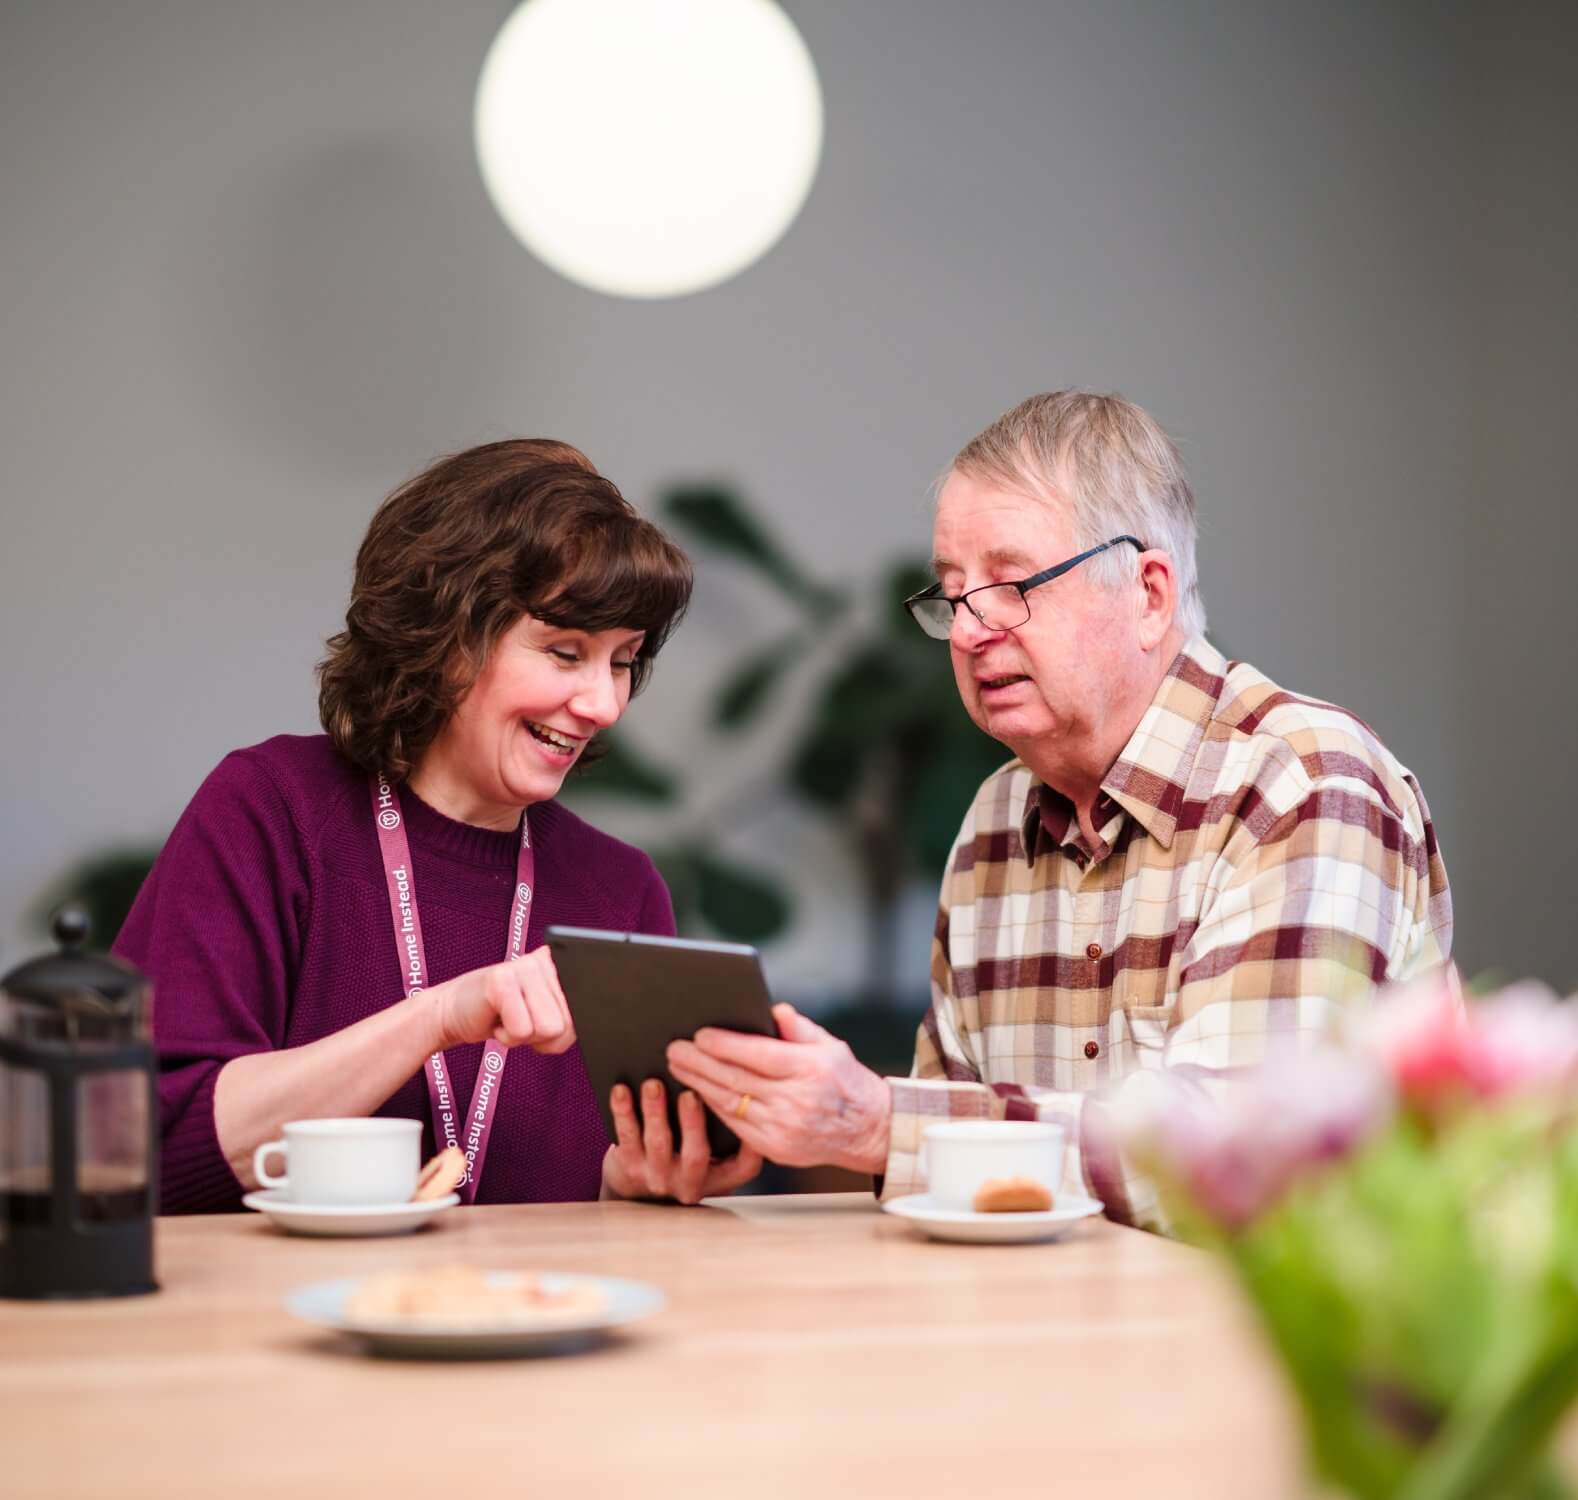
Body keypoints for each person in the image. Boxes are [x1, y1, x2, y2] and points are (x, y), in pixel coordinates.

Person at [667, 391, 1452, 1231]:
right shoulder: (992, 822)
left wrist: (879, 1125)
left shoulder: (1302, 784)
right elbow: (942, 1185)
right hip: (1054, 1338)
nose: (969, 630)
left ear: (1149, 594)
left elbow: (1235, 1165)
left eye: (1012, 585)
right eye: (952, 592)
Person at [116, 439, 762, 1212]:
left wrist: (627, 1185)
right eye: (565, 652)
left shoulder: (620, 889)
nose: (604, 705)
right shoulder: (271, 810)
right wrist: (439, 1017)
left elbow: (584, 1201)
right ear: (449, 638)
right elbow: (150, 1145)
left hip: (529, 1322)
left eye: (622, 661)